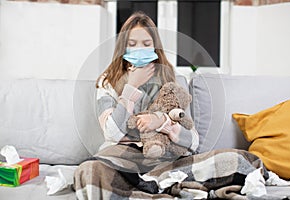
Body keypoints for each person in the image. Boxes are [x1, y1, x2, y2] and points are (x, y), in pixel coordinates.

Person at [73, 11, 264, 200]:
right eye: (132, 44)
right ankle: (164, 187)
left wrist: (162, 122)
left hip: (166, 160)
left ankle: (152, 185)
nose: (139, 49)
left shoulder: (171, 80)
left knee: (239, 161)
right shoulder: (107, 82)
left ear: (155, 47)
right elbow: (112, 134)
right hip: (123, 161)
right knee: (89, 171)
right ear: (122, 48)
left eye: (146, 44)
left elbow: (193, 143)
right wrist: (131, 87)